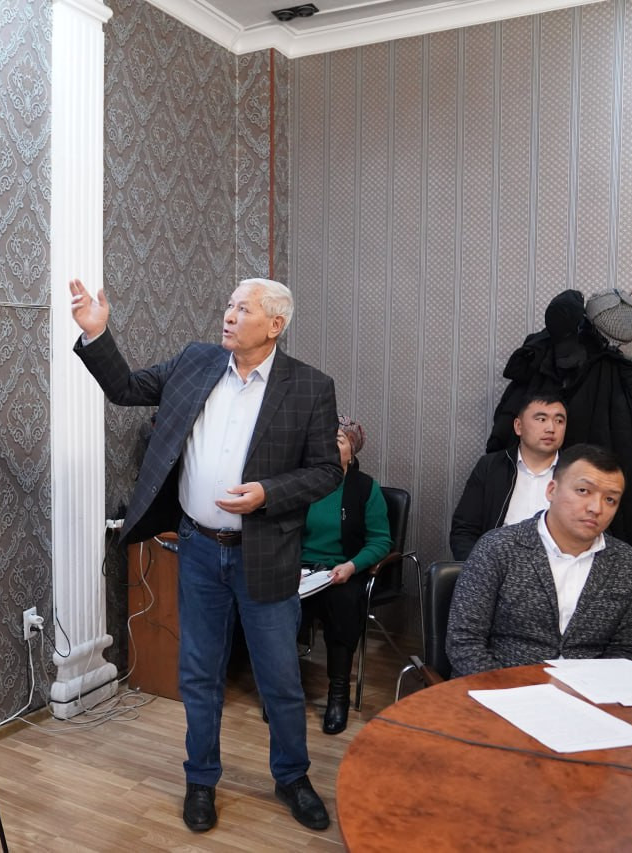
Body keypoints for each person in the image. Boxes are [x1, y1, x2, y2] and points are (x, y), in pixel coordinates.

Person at [69, 276, 340, 833]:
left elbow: (325, 471)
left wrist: (268, 493)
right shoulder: (196, 362)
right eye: (229, 306)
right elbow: (125, 388)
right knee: (199, 674)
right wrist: (97, 333)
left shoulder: (310, 387)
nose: (229, 316)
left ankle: (292, 777)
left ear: (275, 325)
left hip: (265, 553)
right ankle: (200, 779)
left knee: (279, 678)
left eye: (244, 309)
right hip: (197, 549)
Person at [446, 443, 632, 677]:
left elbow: (629, 647)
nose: (596, 508)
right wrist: (512, 690)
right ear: (551, 490)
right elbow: (464, 641)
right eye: (583, 491)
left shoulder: (625, 562)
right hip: (502, 687)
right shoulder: (498, 548)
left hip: (588, 691)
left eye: (610, 499)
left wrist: (592, 689)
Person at [299, 417, 391, 734]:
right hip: (301, 571)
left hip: (343, 571)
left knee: (343, 605)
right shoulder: (302, 482)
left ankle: (338, 694)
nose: (328, 444)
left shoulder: (365, 488)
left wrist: (352, 566)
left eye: (338, 440)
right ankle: (284, 691)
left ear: (352, 452)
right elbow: (282, 532)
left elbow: (380, 541)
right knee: (278, 606)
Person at [449, 394, 567, 560]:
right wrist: (481, 568)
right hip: (497, 565)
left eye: (559, 421)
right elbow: (464, 531)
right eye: (541, 419)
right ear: (518, 426)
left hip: (558, 567)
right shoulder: (491, 467)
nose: (551, 428)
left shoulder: (576, 472)